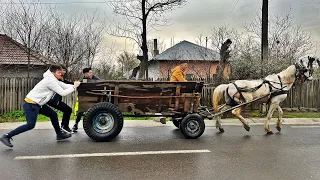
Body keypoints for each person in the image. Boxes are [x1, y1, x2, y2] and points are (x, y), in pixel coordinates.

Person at [0, 65, 81, 148]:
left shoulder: (53, 79)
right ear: (53, 73)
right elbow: (62, 92)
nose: (61, 74)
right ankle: (6, 136)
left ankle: (59, 134)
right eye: (59, 73)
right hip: (31, 104)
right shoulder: (50, 81)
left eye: (61, 72)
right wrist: (74, 87)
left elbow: (63, 85)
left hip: (38, 104)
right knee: (30, 125)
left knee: (53, 114)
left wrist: (77, 85)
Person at [47, 65, 74, 133]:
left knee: (67, 110)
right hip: (54, 100)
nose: (64, 72)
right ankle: (64, 127)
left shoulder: (60, 78)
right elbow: (64, 84)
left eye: (64, 71)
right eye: (63, 70)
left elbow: (66, 83)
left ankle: (63, 126)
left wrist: (75, 84)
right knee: (68, 109)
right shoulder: (56, 79)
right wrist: (74, 86)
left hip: (55, 100)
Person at [72, 67, 100, 132]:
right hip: (85, 99)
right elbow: (78, 86)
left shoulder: (95, 78)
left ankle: (95, 125)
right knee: (80, 111)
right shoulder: (83, 81)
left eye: (91, 72)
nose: (91, 74)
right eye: (90, 73)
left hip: (95, 98)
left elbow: (101, 83)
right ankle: (76, 124)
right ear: (85, 74)